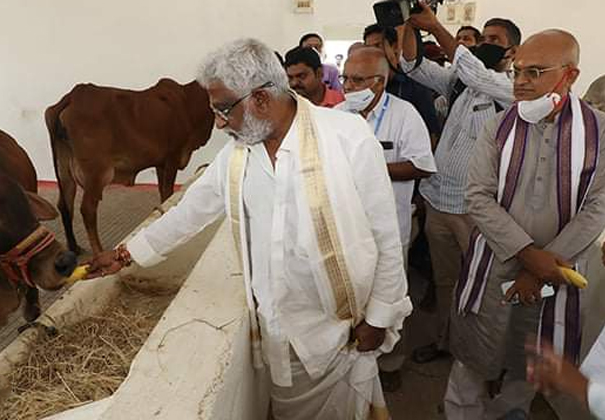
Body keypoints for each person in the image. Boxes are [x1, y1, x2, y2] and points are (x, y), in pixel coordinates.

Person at [88, 38, 412, 420]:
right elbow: (190, 212)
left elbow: (386, 238)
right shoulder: (239, 154)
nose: (220, 123)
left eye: (224, 109)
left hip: (340, 329)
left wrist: (377, 319)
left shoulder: (347, 138)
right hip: (276, 327)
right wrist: (126, 253)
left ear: (260, 98)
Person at [449, 29, 605, 419]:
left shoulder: (600, 131)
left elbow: (599, 206)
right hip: (495, 264)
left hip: (559, 272)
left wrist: (544, 266)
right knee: (473, 357)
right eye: (518, 71)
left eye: (535, 72)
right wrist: (527, 255)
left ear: (569, 75)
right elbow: (478, 197)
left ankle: (510, 410)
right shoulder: (497, 125)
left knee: (531, 356)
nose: (520, 82)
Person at [400, 2, 519, 366]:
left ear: (511, 51)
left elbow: (475, 70)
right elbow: (413, 66)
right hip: (438, 202)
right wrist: (407, 23)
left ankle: (478, 356)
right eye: (482, 37)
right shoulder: (459, 83)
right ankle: (444, 343)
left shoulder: (509, 88)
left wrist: (436, 27)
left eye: (493, 40)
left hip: (474, 213)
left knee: (479, 287)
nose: (484, 43)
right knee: (445, 282)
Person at [336, 46, 436, 391]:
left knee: (390, 297)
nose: (349, 86)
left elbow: (423, 165)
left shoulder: (404, 115)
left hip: (390, 230)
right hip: (346, 231)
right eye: (346, 78)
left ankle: (391, 363)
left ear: (381, 81)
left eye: (358, 79)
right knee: (351, 299)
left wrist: (371, 167)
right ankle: (351, 361)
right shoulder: (337, 115)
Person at [363, 23, 442, 144]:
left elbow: (431, 136)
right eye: (368, 48)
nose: (373, 52)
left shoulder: (415, 85)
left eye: (378, 46)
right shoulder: (363, 85)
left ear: (394, 47)